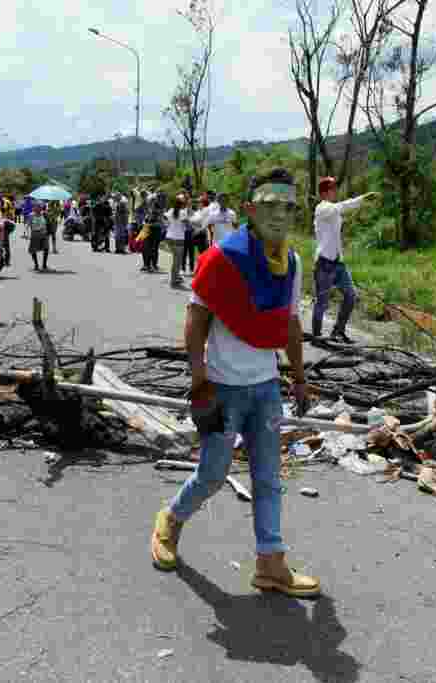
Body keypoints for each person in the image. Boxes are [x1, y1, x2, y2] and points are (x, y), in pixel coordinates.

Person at [149, 168, 318, 598]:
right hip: (223, 388)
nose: (279, 214)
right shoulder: (222, 259)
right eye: (270, 205)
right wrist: (198, 377)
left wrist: (298, 380)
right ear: (249, 210)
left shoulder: (292, 262)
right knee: (212, 474)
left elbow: (291, 324)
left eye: (288, 206)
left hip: (266, 389)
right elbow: (196, 319)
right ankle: (169, 520)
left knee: (268, 477)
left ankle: (271, 564)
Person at [311, 177, 378, 345]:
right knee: (322, 303)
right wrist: (362, 199)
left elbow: (340, 213)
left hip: (338, 262)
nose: (336, 192)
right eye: (333, 189)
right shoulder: (322, 208)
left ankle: (338, 331)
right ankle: (317, 337)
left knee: (350, 295)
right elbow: (343, 207)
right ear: (325, 192)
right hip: (324, 263)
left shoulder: (332, 210)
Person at [164, 194, 189, 289]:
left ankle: (176, 277)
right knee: (177, 261)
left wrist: (168, 225)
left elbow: (164, 218)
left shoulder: (171, 210)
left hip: (169, 237)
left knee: (175, 260)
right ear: (182, 204)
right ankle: (174, 279)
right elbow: (186, 224)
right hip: (178, 238)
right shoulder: (183, 212)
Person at [28, 203, 50, 271]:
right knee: (33, 250)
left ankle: (44, 265)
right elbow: (28, 224)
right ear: (34, 208)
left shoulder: (45, 214)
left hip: (43, 234)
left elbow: (48, 223)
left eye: (39, 207)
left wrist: (48, 232)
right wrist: (26, 233)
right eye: (36, 207)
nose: (38, 209)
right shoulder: (31, 215)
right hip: (34, 234)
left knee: (46, 249)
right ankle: (36, 264)